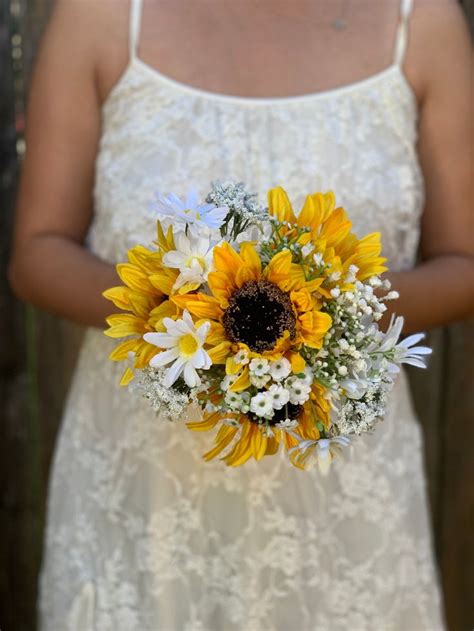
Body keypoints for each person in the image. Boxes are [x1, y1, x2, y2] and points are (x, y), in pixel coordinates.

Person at [8, 0, 473, 629]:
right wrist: (191, 314)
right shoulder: (103, 16)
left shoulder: (422, 24)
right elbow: (37, 255)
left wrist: (314, 306)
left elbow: (464, 263)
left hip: (343, 495)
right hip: (145, 494)